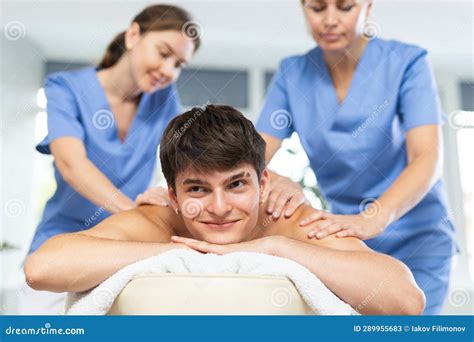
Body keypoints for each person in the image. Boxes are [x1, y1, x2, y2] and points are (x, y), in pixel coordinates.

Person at [25, 105, 425, 315]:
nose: (219, 208)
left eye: (236, 184)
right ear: (174, 195)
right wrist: (178, 250)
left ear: (263, 182)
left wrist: (275, 249)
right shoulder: (156, 221)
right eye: (198, 189)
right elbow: (42, 269)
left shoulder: (288, 222)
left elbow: (405, 300)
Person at [256, 0, 456, 314]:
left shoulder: (406, 62)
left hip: (418, 236)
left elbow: (427, 156)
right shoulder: (292, 73)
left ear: (368, 7)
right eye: (317, 8)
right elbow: (253, 156)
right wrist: (279, 180)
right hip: (348, 242)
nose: (330, 20)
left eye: (346, 7)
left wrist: (373, 218)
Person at [20, 4, 200, 314]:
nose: (169, 71)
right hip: (65, 241)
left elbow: (188, 156)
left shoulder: (164, 99)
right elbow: (71, 165)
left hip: (126, 248)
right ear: (133, 36)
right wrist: (134, 213)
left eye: (179, 64)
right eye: (163, 53)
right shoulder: (66, 89)